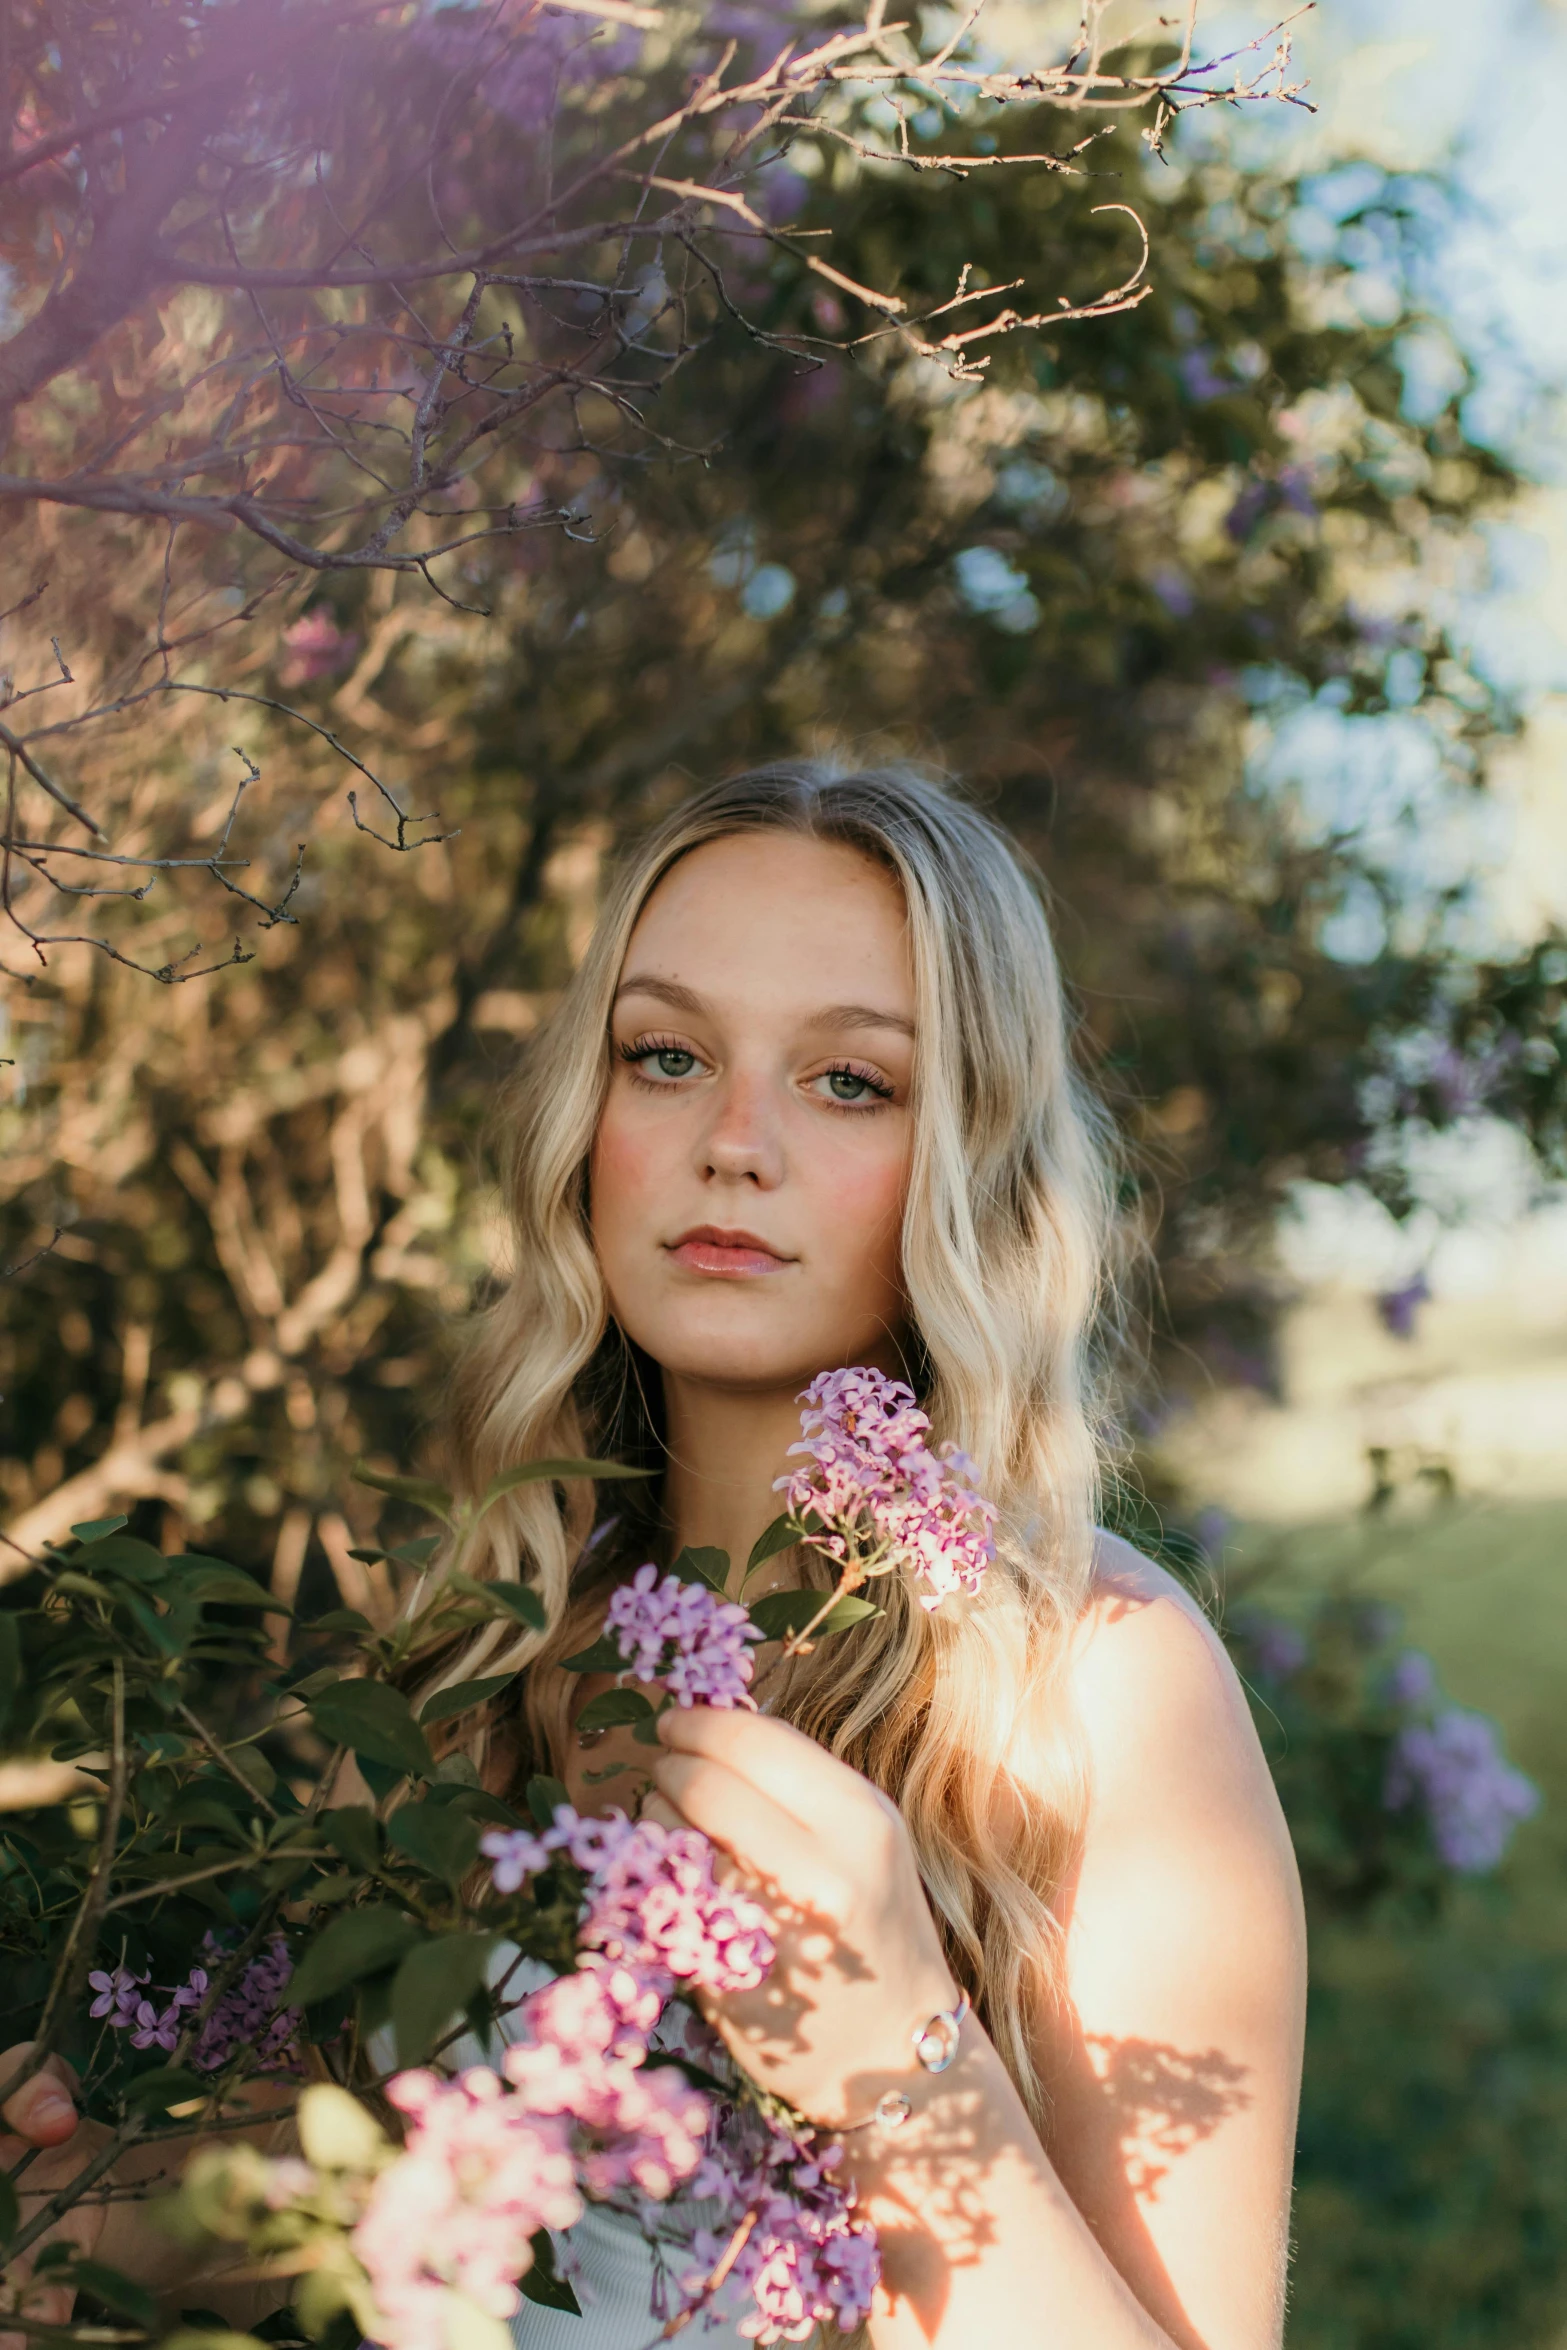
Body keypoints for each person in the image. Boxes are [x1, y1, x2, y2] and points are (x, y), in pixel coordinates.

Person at [2, 763, 1305, 2350]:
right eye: (667, 1055)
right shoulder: (480, 1652)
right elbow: (316, 2207)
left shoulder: (1091, 1679)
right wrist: (73, 2198)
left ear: (969, 1155)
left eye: (850, 1081)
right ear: (587, 1114)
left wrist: (897, 2058)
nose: (731, 1143)